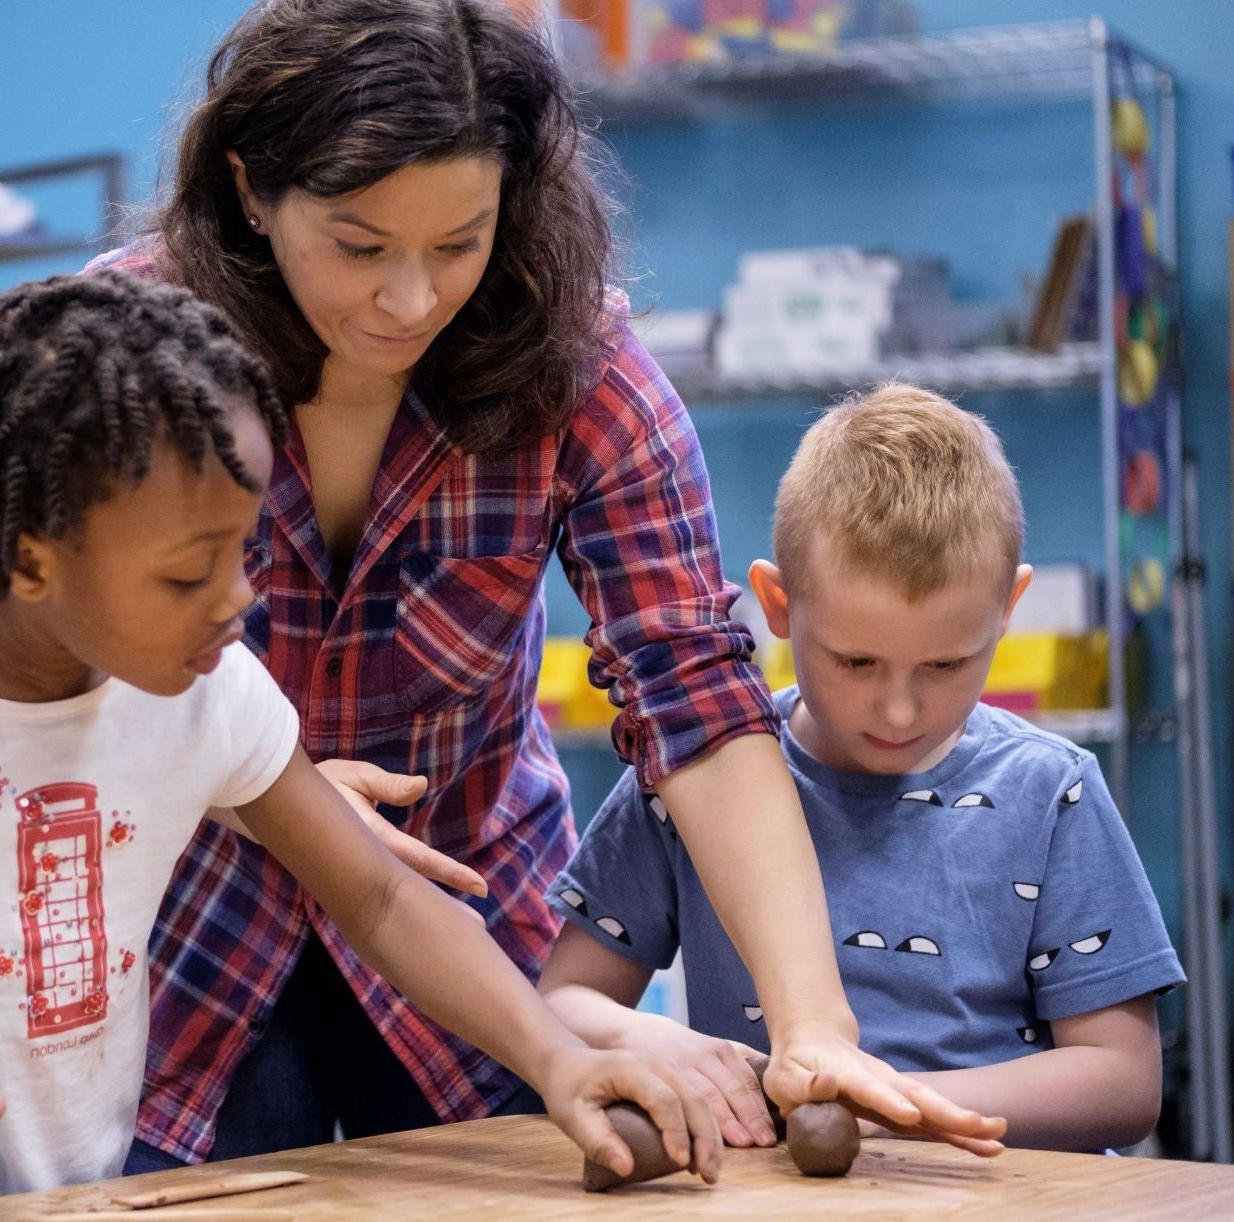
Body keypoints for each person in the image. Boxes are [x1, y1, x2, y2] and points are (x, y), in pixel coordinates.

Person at [90, 0, 1005, 1172]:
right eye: (359, 246)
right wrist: (260, 789)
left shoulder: (585, 373)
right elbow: (43, 666)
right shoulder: (133, 346)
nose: (410, 300)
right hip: (184, 935)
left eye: (458, 241)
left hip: (465, 941)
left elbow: (698, 702)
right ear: (249, 188)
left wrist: (812, 1022)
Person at [0, 275, 719, 1219]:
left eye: (243, 551)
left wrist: (557, 1058)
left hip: (87, 1182)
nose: (237, 600)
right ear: (30, 560)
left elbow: (381, 900)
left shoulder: (206, 692)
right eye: (186, 574)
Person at [541, 384, 1184, 1152]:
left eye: (947, 664)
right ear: (776, 605)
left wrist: (881, 1100)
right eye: (855, 660)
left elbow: (1122, 1082)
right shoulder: (692, 776)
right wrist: (658, 1045)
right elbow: (562, 1002)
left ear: (1008, 609)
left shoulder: (1052, 792)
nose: (900, 711)